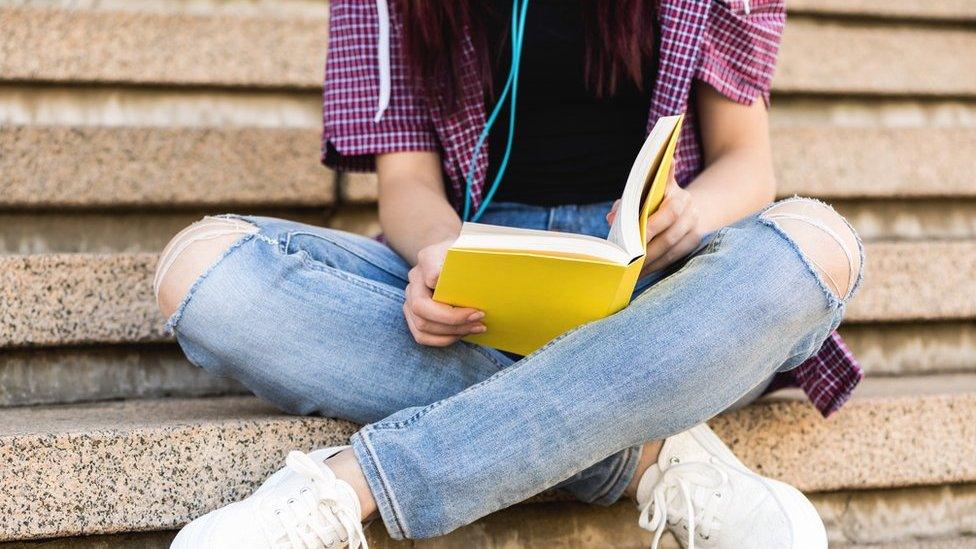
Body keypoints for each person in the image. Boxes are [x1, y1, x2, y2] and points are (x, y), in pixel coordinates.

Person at [156, 1, 864, 547]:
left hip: (652, 280)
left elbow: (747, 159)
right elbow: (405, 184)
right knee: (202, 272)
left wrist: (692, 213)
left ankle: (355, 482)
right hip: (476, 269)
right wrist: (438, 253)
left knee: (817, 244)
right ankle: (639, 448)